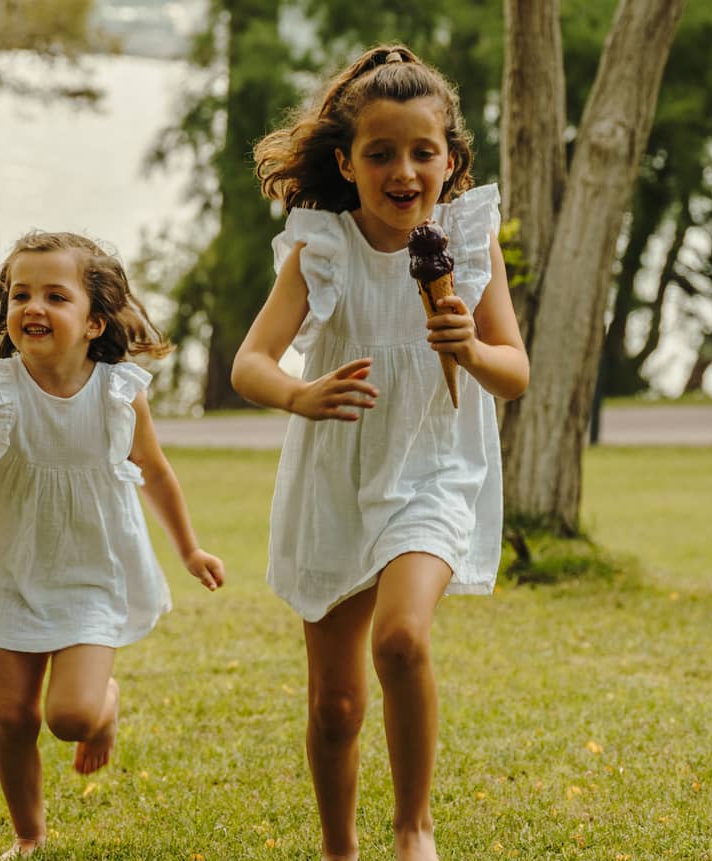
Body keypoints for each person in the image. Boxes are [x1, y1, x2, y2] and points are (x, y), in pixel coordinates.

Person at [231, 44, 530, 861]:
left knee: (401, 637)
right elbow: (249, 362)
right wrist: (300, 392)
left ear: (451, 160)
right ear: (347, 162)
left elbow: (514, 373)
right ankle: (339, 848)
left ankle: (413, 830)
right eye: (381, 153)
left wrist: (468, 348)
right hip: (335, 475)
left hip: (432, 466)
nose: (404, 171)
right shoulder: (321, 248)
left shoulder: (468, 245)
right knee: (334, 704)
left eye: (422, 152)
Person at [0, 230, 225, 859]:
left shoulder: (117, 389)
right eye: (20, 294)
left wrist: (188, 548)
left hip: (92, 568)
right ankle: (29, 835)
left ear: (93, 320)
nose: (33, 307)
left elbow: (154, 470)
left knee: (70, 718)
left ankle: (104, 706)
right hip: (13, 563)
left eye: (56, 295)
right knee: (11, 717)